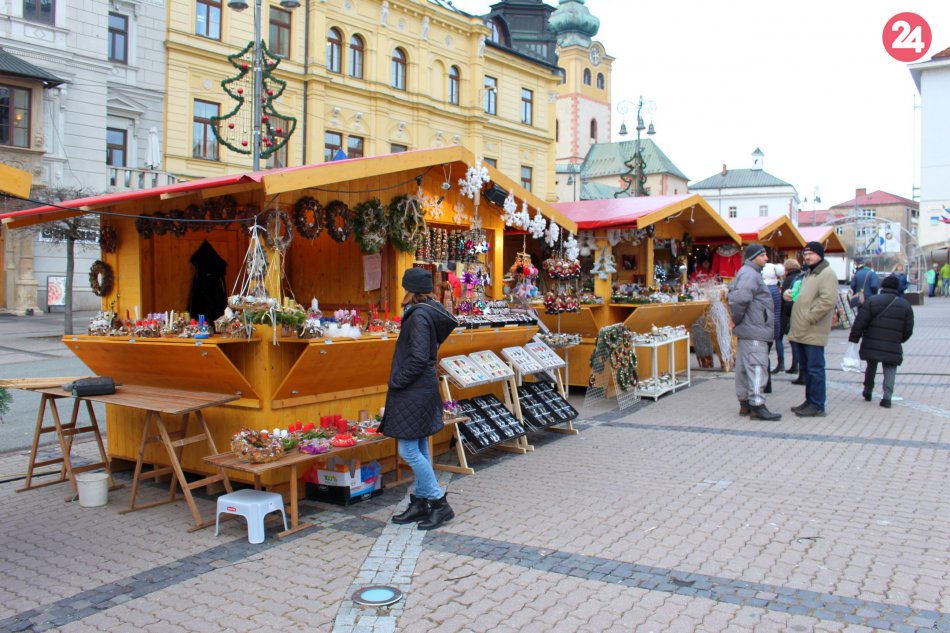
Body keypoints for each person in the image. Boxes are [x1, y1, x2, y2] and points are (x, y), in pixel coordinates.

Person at [380, 268, 459, 530]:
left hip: (413, 389)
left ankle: (438, 502)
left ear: (408, 289)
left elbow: (418, 357)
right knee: (420, 444)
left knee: (409, 450)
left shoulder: (418, 316)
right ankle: (421, 501)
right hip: (423, 388)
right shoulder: (429, 312)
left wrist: (397, 380)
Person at [727, 243, 781, 420]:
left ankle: (745, 404)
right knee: (757, 367)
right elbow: (740, 300)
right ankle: (757, 405)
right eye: (763, 255)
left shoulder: (749, 273)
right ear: (753, 257)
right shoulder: (750, 274)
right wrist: (736, 319)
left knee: (744, 368)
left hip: (750, 328)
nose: (766, 258)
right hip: (755, 328)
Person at [787, 241, 839, 417]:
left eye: (811, 254)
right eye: (805, 254)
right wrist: (789, 295)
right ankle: (810, 401)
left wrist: (810, 317)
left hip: (813, 330)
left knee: (815, 370)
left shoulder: (826, 274)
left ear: (819, 255)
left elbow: (827, 300)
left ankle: (817, 404)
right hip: (803, 330)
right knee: (807, 369)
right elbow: (805, 297)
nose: (807, 257)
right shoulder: (810, 273)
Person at [848, 275, 914, 408]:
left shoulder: (872, 300)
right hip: (893, 344)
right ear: (897, 287)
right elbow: (908, 329)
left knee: (871, 366)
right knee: (890, 369)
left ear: (883, 286)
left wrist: (854, 338)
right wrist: (899, 339)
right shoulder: (905, 305)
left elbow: (861, 321)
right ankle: (887, 398)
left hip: (872, 341)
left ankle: (868, 390)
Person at [780, 258, 804, 378]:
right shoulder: (801, 277)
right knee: (797, 341)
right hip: (799, 312)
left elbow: (785, 298)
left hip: (790, 313)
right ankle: (797, 365)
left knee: (793, 340)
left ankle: (795, 365)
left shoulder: (789, 279)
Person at [762, 262, 785, 374]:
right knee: (777, 341)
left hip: (768, 323)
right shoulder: (775, 288)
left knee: (765, 350)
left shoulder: (767, 289)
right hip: (775, 321)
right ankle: (781, 363)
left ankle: (766, 374)